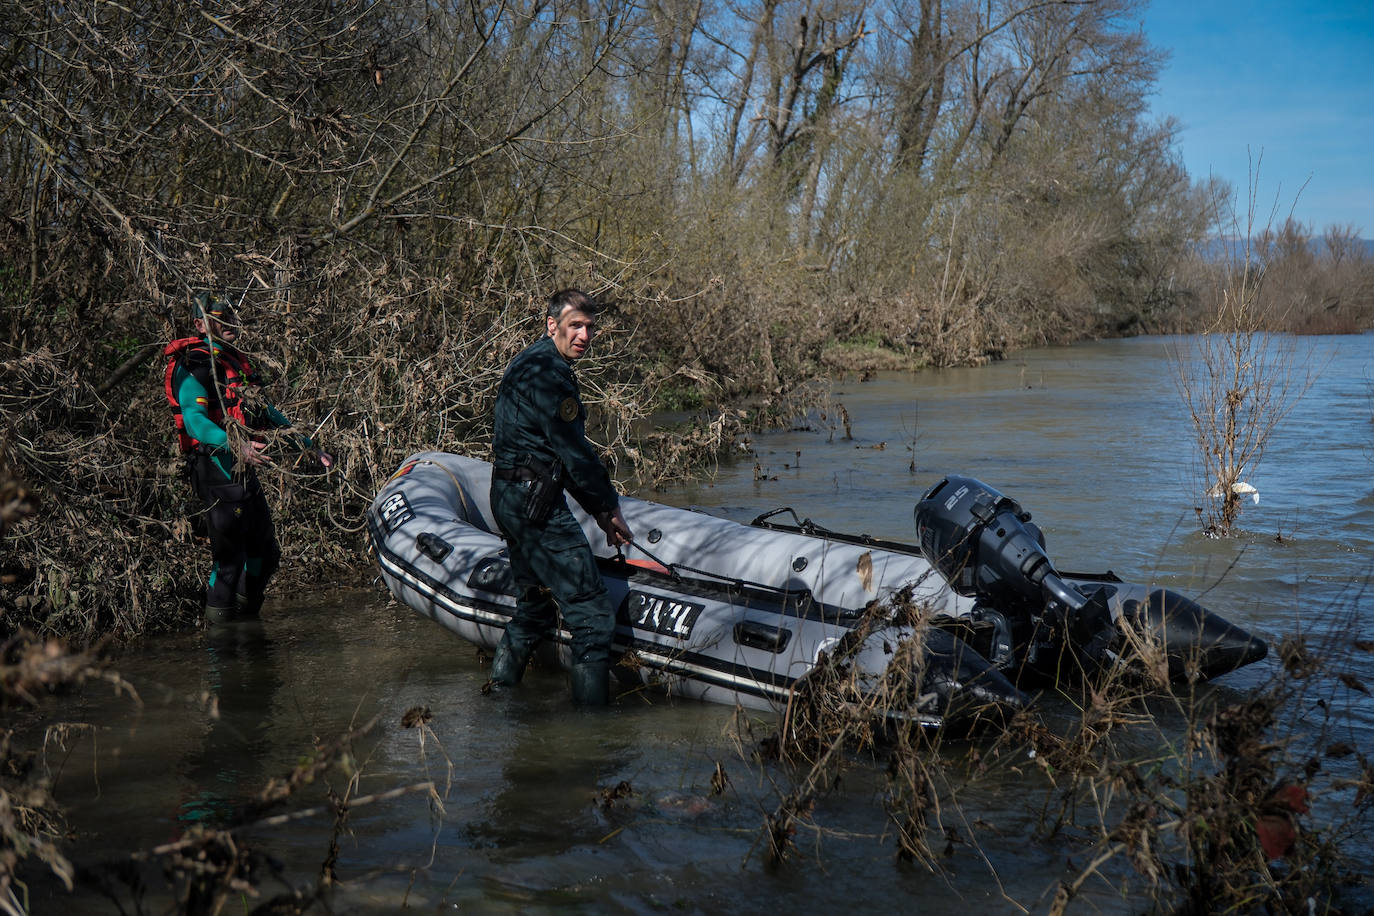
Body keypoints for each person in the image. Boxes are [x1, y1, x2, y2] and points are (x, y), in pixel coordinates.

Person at [488, 288, 632, 706]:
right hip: (535, 506)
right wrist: (608, 509)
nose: (584, 335)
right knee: (593, 620)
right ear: (553, 325)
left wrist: (597, 511)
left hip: (509, 497)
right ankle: (591, 738)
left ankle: (499, 698)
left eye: (590, 327)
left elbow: (552, 453)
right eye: (575, 326)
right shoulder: (551, 376)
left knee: (532, 610)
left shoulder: (531, 360)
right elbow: (574, 455)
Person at [164, 292, 327, 623]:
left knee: (265, 556)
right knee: (229, 562)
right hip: (214, 468)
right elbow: (195, 421)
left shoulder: (232, 362)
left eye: (232, 316)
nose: (230, 323)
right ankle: (222, 647)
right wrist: (237, 446)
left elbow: (264, 412)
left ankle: (247, 627)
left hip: (240, 472)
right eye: (220, 317)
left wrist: (308, 445)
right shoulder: (195, 366)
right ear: (200, 324)